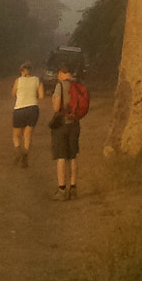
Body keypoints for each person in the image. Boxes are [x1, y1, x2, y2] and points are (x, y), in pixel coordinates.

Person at [49, 64, 80, 199]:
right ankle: (73, 189)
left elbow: (56, 107)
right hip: (75, 124)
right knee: (72, 156)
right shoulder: (78, 85)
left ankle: (62, 190)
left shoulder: (60, 86)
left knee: (61, 156)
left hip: (62, 124)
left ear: (62, 73)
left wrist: (53, 101)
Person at [11, 61, 42, 167]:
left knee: (16, 135)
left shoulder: (18, 81)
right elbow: (41, 95)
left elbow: (13, 93)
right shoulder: (37, 80)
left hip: (19, 109)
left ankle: (19, 151)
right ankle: (25, 155)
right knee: (27, 135)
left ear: (22, 71)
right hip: (33, 108)